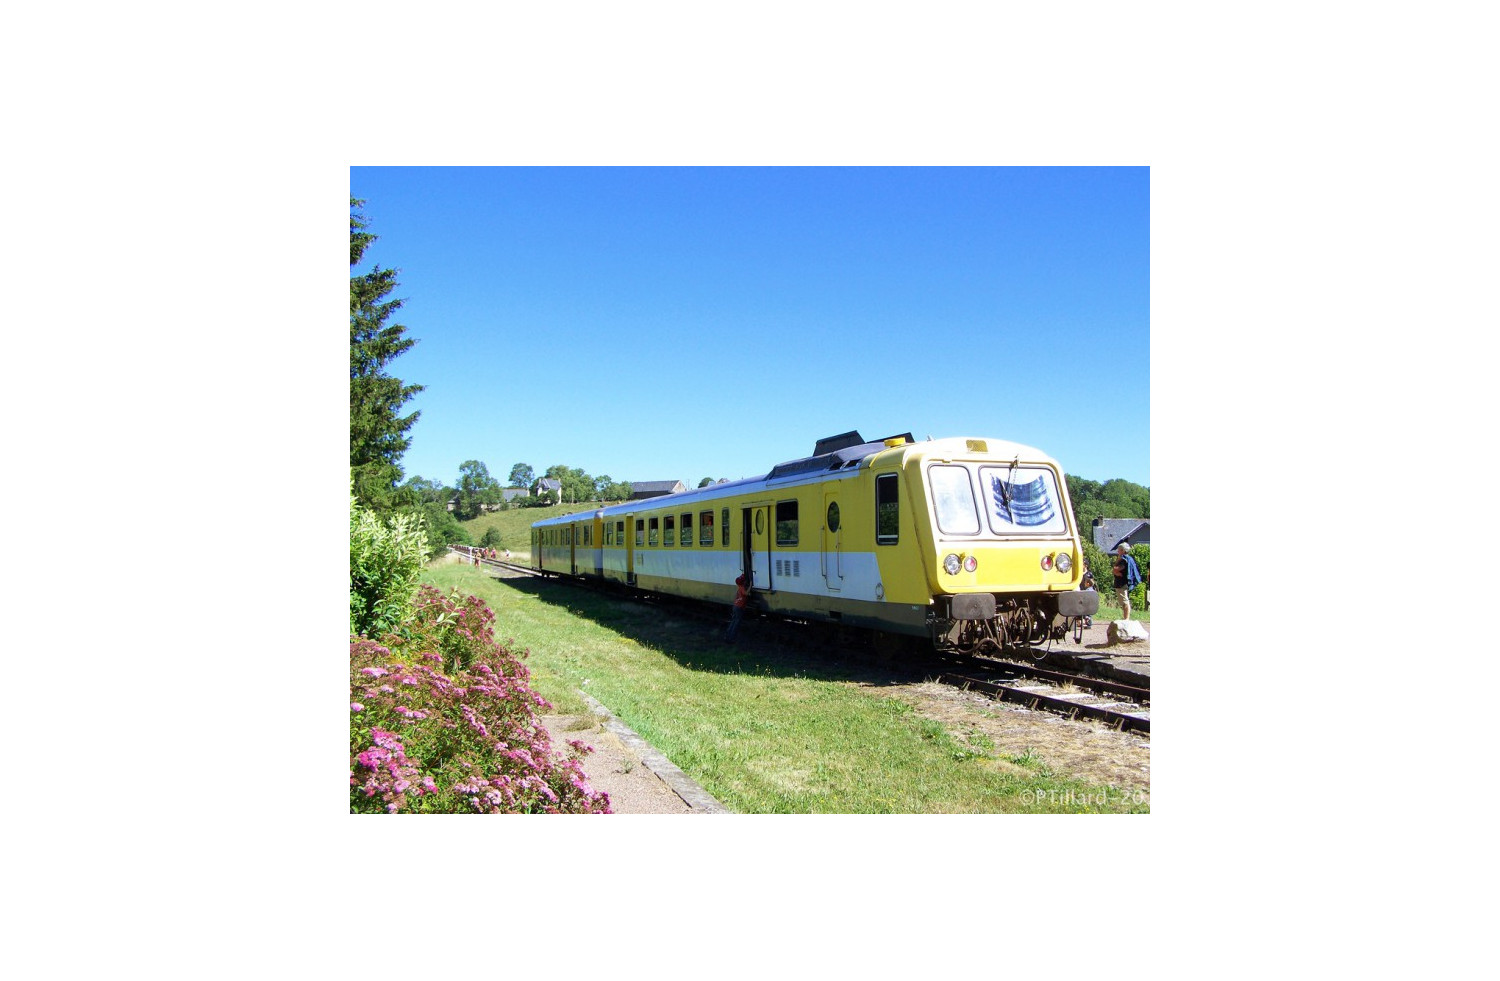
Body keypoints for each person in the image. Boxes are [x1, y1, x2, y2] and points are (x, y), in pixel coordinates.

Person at [1111, 543, 1142, 619]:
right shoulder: (1129, 559)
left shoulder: (1124, 559)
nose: (1117, 551)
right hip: (1124, 583)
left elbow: (1116, 569)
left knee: (1124, 601)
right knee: (1124, 600)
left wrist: (1116, 565)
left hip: (1122, 583)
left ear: (1122, 550)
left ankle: (1126, 619)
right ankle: (1126, 618)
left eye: (1119, 550)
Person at [725, 574, 750, 642]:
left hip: (735, 606)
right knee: (736, 623)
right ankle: (731, 638)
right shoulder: (742, 588)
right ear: (743, 582)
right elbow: (746, 593)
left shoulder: (739, 588)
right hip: (739, 607)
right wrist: (750, 585)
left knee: (733, 621)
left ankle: (728, 635)